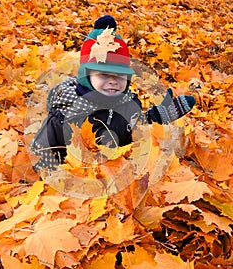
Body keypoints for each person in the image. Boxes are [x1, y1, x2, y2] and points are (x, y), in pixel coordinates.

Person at [30, 15, 195, 171]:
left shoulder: (128, 105)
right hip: (77, 180)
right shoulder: (65, 112)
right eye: (103, 75)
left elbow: (134, 130)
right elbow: (42, 150)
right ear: (86, 76)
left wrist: (157, 119)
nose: (112, 81)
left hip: (116, 177)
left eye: (119, 75)